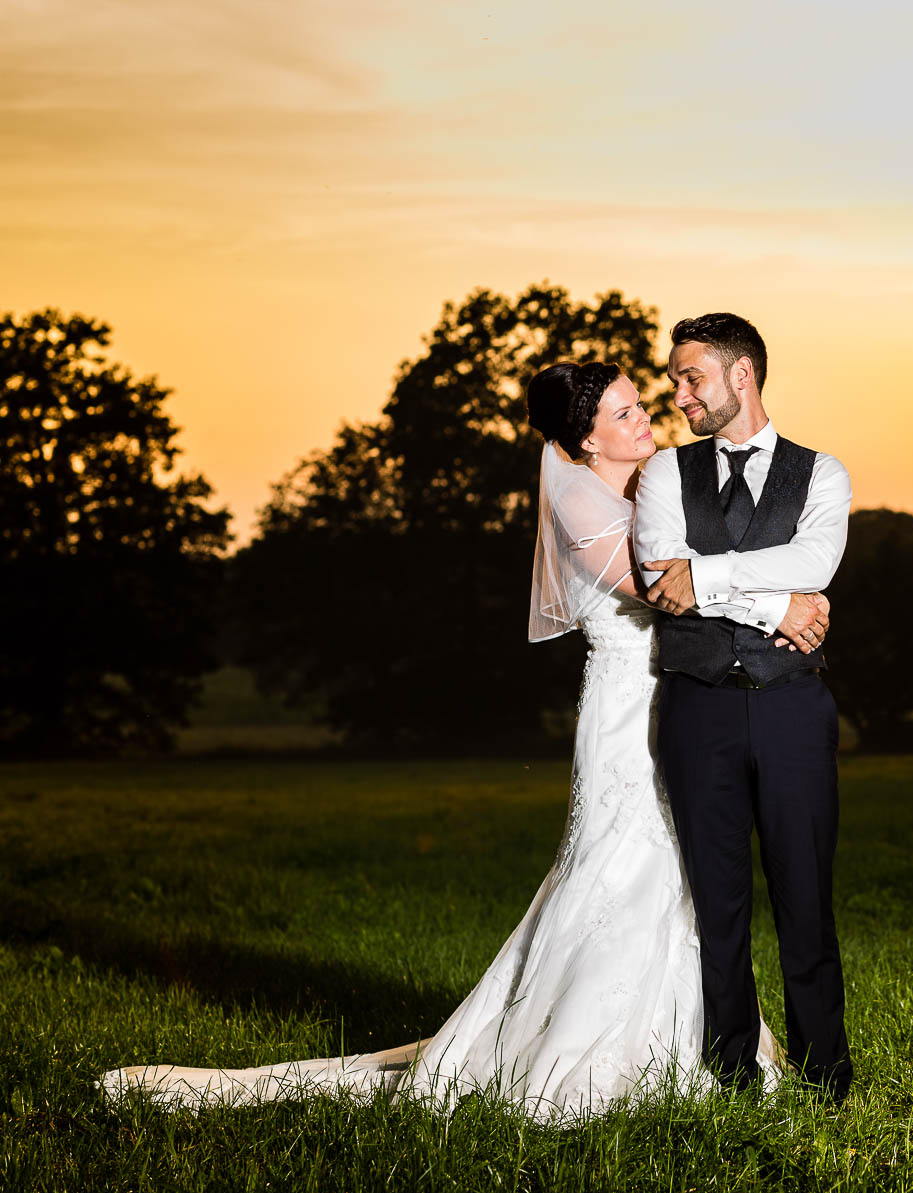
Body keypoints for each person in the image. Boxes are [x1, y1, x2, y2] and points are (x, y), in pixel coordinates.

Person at [97, 361, 802, 1123]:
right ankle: (590, 1052)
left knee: (683, 867)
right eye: (626, 414)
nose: (645, 420)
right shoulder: (577, 500)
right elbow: (662, 589)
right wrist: (777, 596)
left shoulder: (649, 485)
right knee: (626, 865)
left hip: (678, 700)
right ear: (587, 438)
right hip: (627, 710)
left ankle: (698, 1035)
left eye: (640, 407)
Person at [633, 312, 854, 1102]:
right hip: (698, 711)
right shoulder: (664, 473)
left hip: (792, 707)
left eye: (691, 379)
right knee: (717, 903)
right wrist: (775, 606)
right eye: (674, 382)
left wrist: (710, 579)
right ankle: (730, 1076)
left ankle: (826, 1077)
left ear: (741, 376)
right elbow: (663, 579)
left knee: (805, 895)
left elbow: (815, 560)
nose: (680, 396)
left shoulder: (822, 474)